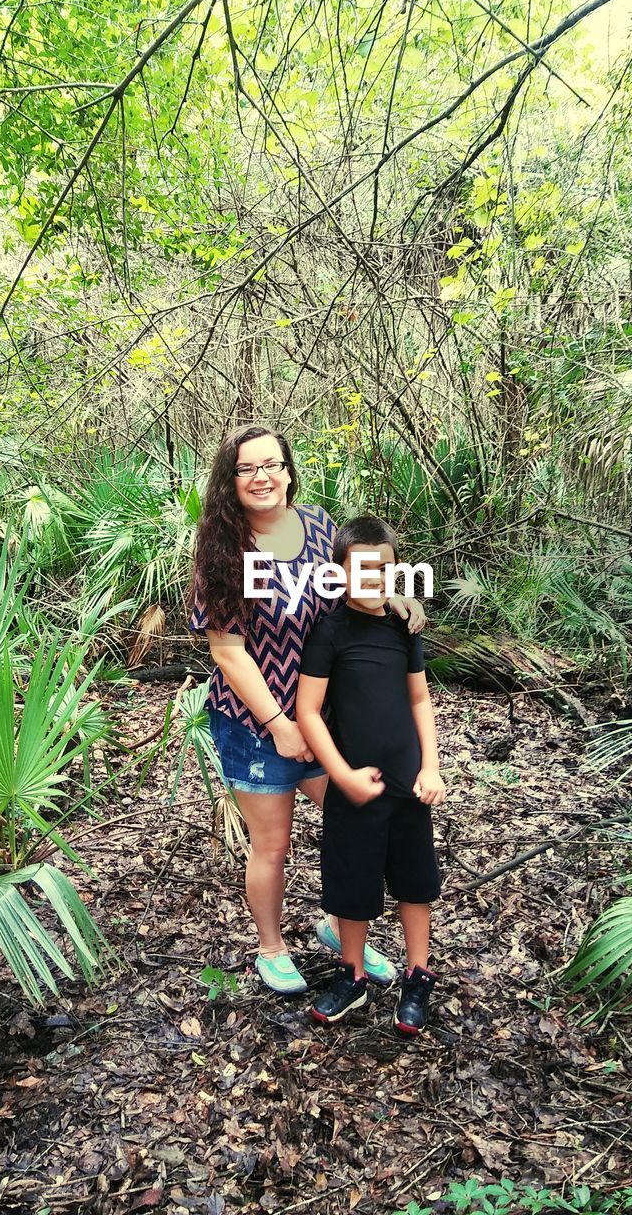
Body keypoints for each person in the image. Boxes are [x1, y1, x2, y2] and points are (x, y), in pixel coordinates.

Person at [188, 425, 426, 996]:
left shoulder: (319, 526)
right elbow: (227, 649)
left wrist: (392, 595)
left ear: (289, 470)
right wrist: (280, 724)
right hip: (255, 722)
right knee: (273, 843)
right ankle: (271, 946)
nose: (261, 477)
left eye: (271, 464)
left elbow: (352, 580)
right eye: (246, 469)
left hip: (327, 715)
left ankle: (341, 929)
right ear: (232, 480)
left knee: (352, 824)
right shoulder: (223, 547)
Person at [296, 514, 446, 1036]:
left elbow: (419, 697)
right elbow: (309, 712)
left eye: (381, 569)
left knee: (414, 880)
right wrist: (341, 774)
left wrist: (431, 765)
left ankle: (418, 975)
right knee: (352, 881)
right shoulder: (329, 630)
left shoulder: (403, 628)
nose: (370, 579)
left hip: (408, 782)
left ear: (395, 570)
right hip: (352, 783)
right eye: (358, 570)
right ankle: (352, 974)